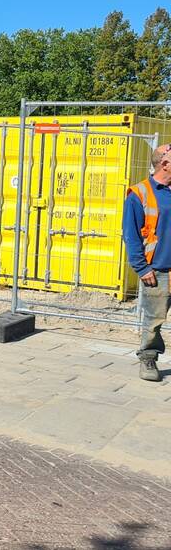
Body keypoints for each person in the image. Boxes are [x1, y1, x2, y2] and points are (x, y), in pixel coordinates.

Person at [123, 143, 171, 381]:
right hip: (158, 269)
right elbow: (130, 235)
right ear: (165, 163)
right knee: (154, 320)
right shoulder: (139, 193)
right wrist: (142, 268)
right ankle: (148, 358)